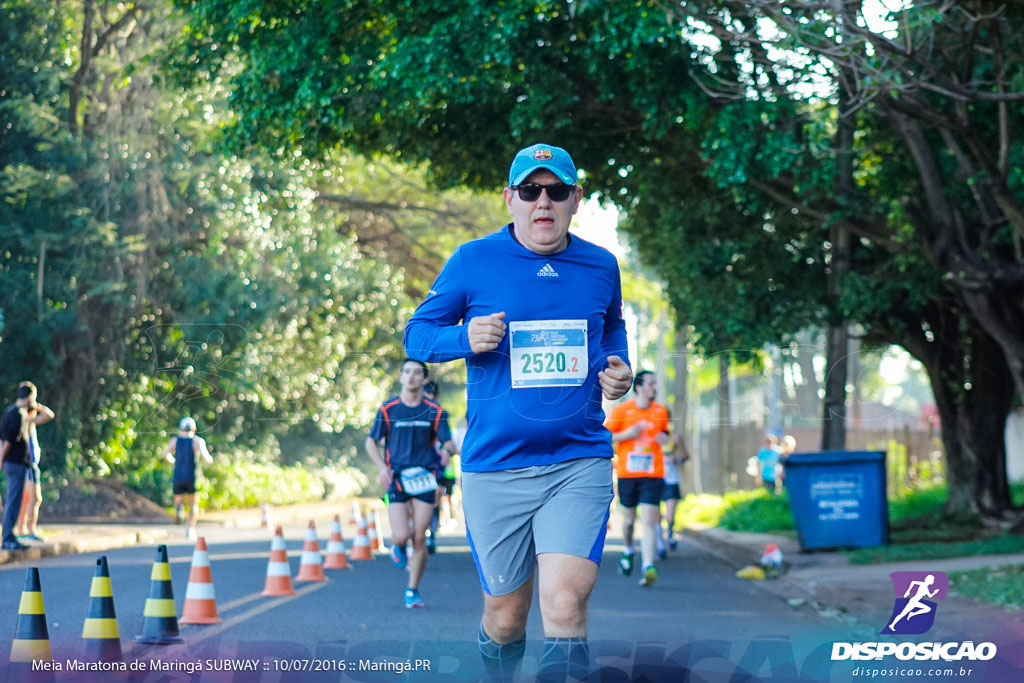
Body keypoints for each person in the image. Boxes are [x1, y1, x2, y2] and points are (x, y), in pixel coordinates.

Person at [404, 143, 632, 681]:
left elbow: (612, 327)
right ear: (510, 199)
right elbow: (417, 335)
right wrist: (463, 337)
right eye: (531, 190)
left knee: (565, 605)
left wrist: (620, 367)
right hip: (495, 466)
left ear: (577, 199)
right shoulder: (472, 261)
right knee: (506, 619)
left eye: (556, 191)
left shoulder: (601, 266)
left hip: (578, 461)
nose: (543, 202)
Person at [365, 359, 455, 608]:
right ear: (401, 376)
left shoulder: (435, 410)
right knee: (401, 535)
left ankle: (412, 590)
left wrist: (447, 452)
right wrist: (382, 467)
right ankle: (398, 547)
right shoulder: (388, 409)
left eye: (417, 372)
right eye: (407, 372)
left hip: (425, 478)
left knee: (419, 536)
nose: (412, 376)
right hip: (397, 478)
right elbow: (371, 441)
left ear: (425, 379)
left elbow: (448, 442)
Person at [604, 370, 671, 587]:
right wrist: (628, 434)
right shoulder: (622, 411)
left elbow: (666, 437)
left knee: (650, 520)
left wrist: (665, 439)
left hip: (653, 473)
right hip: (627, 474)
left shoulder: (661, 412)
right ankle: (628, 550)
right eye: (651, 384)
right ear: (639, 387)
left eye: (655, 384)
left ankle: (648, 566)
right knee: (630, 520)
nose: (655, 388)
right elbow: (606, 436)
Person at [1, 383, 53, 550]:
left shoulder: (15, 412)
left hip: (17, 463)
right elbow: (8, 440)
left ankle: (11, 535)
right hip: (16, 463)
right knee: (16, 500)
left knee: (16, 500)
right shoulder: (18, 414)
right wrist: (0, 460)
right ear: (30, 397)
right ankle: (9, 537)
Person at [161, 417, 213, 539]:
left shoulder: (174, 441)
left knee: (178, 499)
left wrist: (173, 461)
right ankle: (190, 529)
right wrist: (207, 459)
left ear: (180, 428)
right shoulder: (197, 441)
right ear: (194, 429)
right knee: (193, 503)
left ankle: (179, 511)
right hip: (191, 476)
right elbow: (207, 458)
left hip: (178, 475)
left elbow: (165, 454)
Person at [423, 380, 457, 551]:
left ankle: (431, 534)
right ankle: (408, 536)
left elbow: (448, 441)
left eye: (432, 396)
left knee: (434, 496)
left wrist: (447, 451)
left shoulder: (439, 413)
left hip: (435, 464)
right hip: (413, 463)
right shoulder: (410, 410)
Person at [15, 398, 55, 542]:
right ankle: (29, 530)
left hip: (28, 464)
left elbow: (50, 415)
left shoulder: (24, 419)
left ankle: (22, 529)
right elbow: (49, 415)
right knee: (35, 499)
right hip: (29, 464)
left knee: (26, 499)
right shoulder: (27, 420)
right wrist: (38, 407)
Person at [659, 435, 690, 556]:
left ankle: (670, 532)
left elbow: (684, 458)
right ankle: (659, 542)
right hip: (654, 480)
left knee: (670, 516)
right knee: (655, 514)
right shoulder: (649, 435)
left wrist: (680, 444)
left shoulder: (673, 438)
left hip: (671, 481)